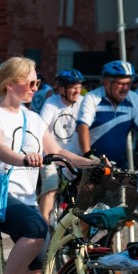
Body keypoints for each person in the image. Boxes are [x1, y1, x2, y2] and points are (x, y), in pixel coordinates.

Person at [0, 57, 95, 274]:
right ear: (10, 83)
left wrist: (94, 165)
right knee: (35, 231)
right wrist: (23, 158)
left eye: (37, 83)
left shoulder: (33, 118)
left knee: (43, 261)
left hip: (24, 198)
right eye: (30, 82)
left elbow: (58, 151)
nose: (35, 87)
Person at [77, 60, 138, 168]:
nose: (125, 88)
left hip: (118, 164)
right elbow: (82, 127)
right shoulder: (92, 98)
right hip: (91, 162)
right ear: (107, 83)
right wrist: (89, 157)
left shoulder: (133, 98)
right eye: (121, 83)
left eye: (128, 83)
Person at [38, 69, 85, 221]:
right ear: (61, 89)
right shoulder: (51, 103)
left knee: (84, 189)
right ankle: (43, 228)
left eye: (79, 86)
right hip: (51, 155)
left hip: (75, 156)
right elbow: (41, 127)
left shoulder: (83, 103)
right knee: (51, 186)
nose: (77, 90)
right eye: (73, 87)